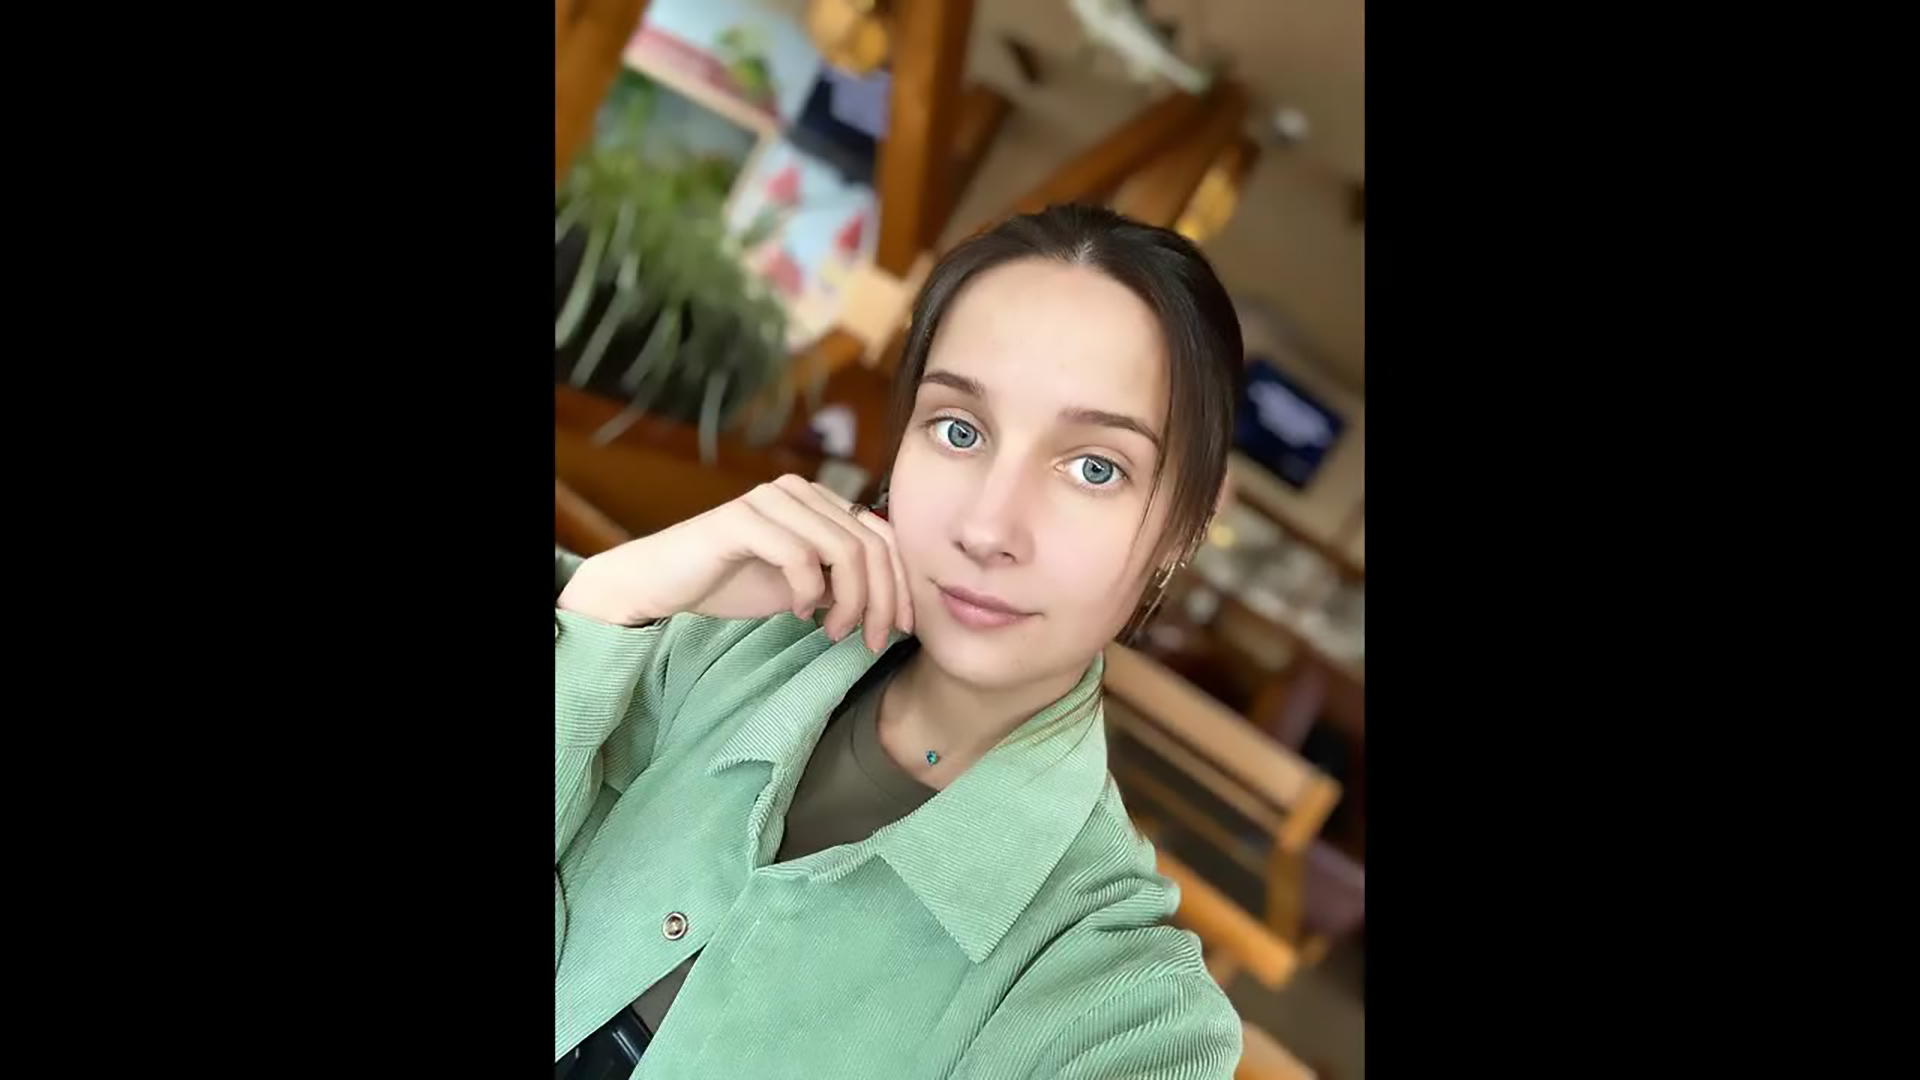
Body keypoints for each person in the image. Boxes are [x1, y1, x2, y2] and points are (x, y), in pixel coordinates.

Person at [554, 204, 1246, 1078]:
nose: (988, 528)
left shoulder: (1119, 1006)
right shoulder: (699, 647)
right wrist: (607, 598)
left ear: (1183, 529)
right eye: (960, 430)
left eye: (1094, 468)